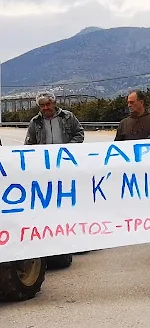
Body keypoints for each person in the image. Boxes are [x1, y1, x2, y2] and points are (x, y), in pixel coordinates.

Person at [24, 91, 84, 268]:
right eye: (42, 105)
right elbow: (29, 146)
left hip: (66, 168)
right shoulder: (35, 123)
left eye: (47, 104)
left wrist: (67, 151)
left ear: (53, 103)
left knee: (70, 203)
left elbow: (79, 134)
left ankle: (76, 240)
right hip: (45, 171)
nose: (45, 108)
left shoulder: (68, 117)